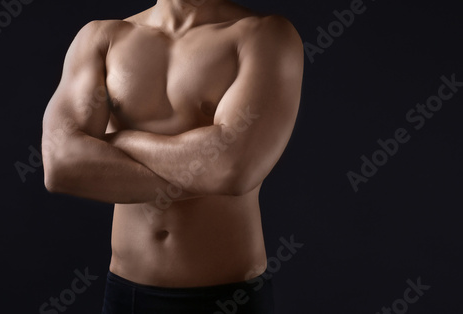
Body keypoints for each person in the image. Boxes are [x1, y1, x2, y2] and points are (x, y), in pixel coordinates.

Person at [41, 0, 303, 312]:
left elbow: (233, 168)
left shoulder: (264, 36)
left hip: (230, 296)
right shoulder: (103, 38)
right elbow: (61, 164)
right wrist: (203, 170)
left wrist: (118, 140)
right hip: (127, 295)